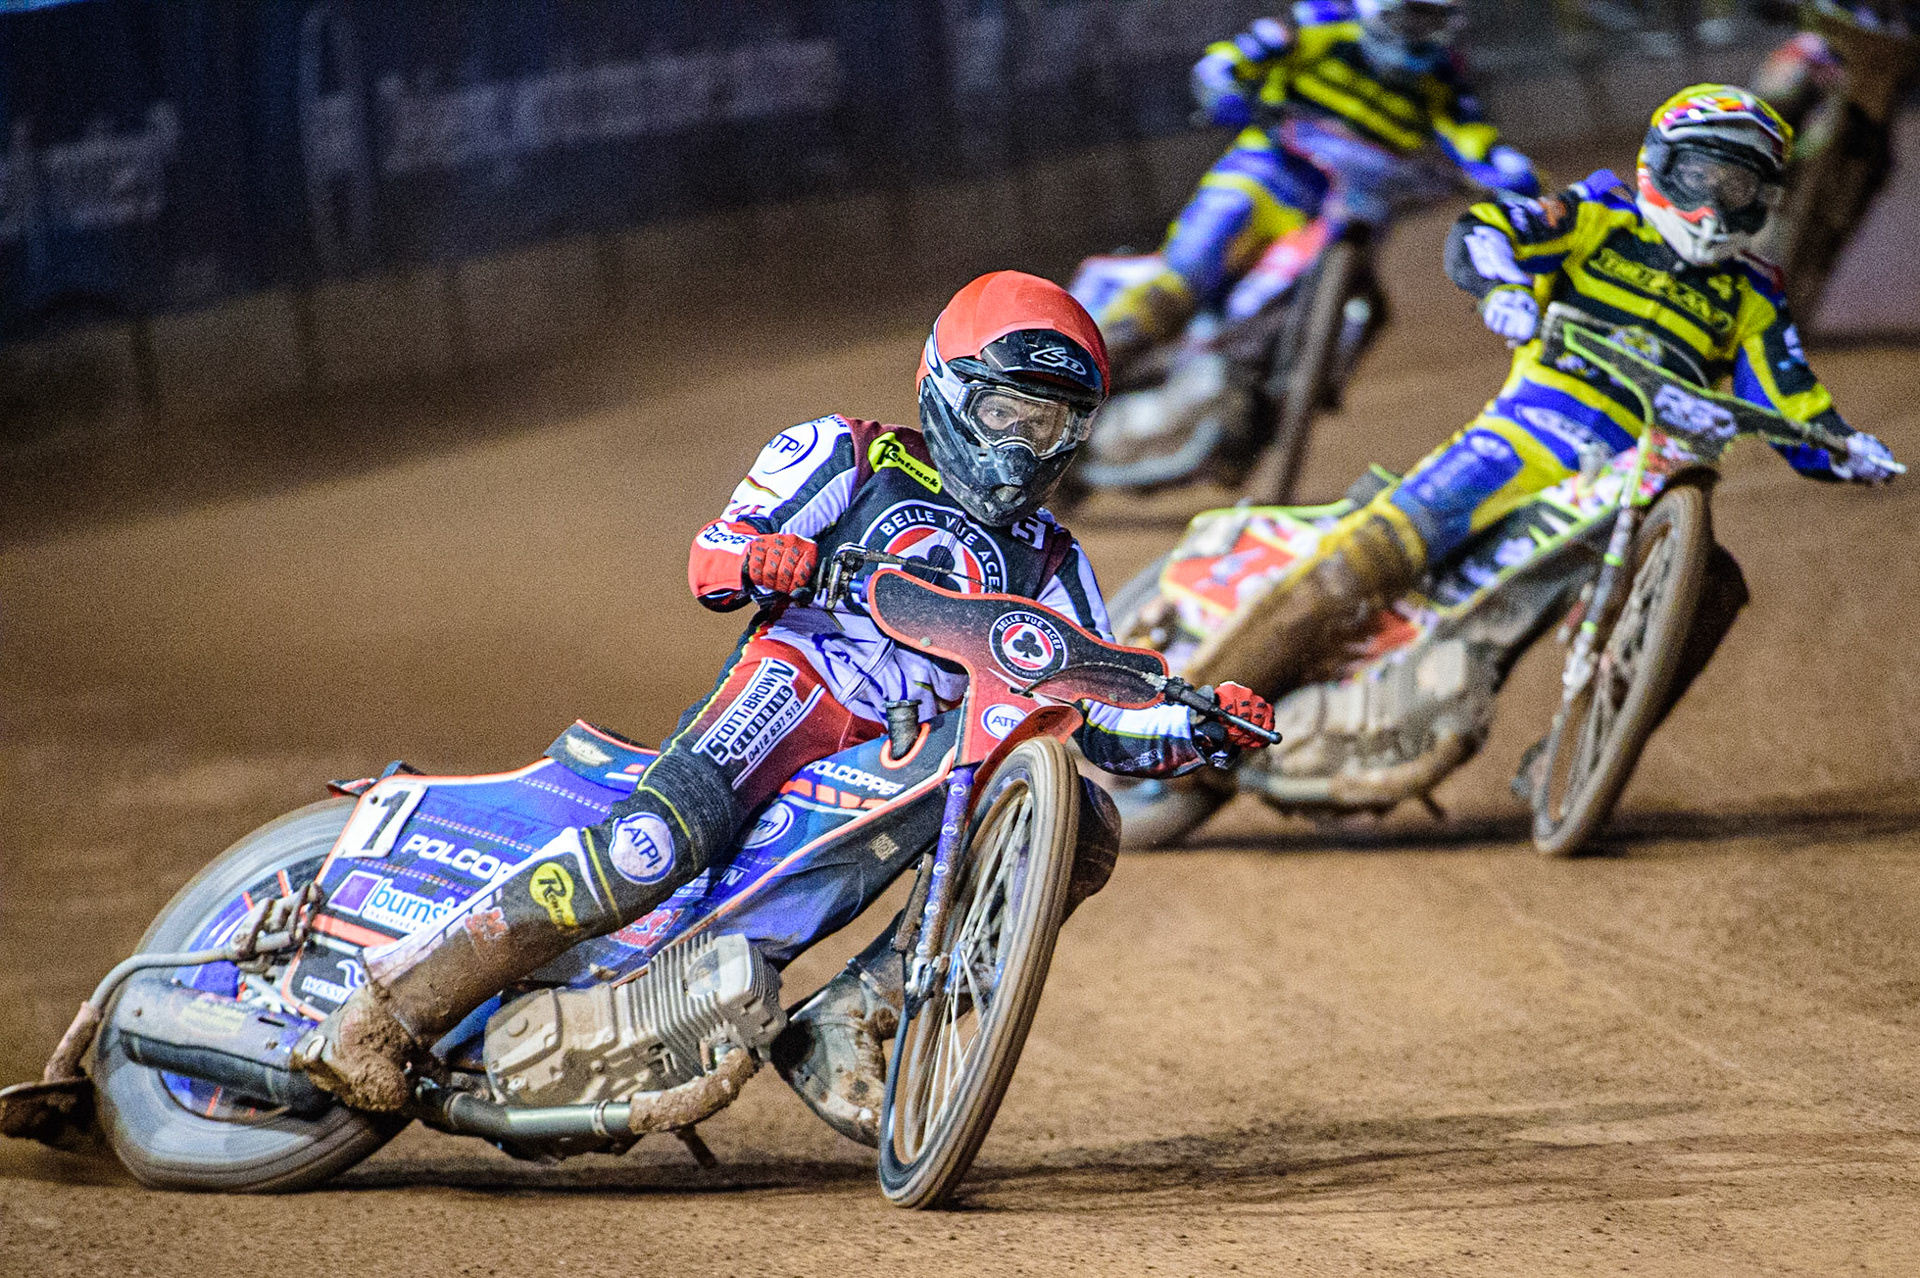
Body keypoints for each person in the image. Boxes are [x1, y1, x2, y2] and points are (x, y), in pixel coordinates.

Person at [292, 271, 1277, 1135]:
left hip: (905, 753)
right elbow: (714, 556)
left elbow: (1097, 711)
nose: (1024, 446)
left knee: (1085, 825)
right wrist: (765, 556)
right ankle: (383, 1012)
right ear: (948, 388)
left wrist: (1200, 729)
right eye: (1006, 413)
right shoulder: (848, 455)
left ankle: (854, 1015)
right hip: (795, 689)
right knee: (650, 850)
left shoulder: (1055, 561)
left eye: (1050, 424)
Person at [1184, 84, 1901, 700]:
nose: (1713, 202)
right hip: (1528, 434)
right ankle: (1201, 703)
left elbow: (1789, 394)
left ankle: (1574, 755)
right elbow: (1493, 225)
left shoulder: (1755, 296)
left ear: (1762, 200)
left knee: (1709, 590)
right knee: (1378, 550)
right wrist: (1501, 286)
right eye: (1699, 176)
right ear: (1659, 166)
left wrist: (1845, 446)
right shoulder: (1601, 215)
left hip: (1641, 482)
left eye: (1736, 187)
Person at [1092, 0, 1539, 370]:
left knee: (1369, 311)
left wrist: (1511, 172)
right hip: (1270, 170)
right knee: (1193, 264)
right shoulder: (1320, 21)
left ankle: (1275, 399)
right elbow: (1234, 58)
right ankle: (1094, 360)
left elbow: (1475, 138)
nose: (1416, 33)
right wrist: (1225, 82)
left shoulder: (1444, 77)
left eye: (1431, 21)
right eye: (1409, 17)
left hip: (1354, 203)